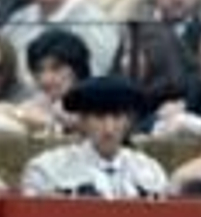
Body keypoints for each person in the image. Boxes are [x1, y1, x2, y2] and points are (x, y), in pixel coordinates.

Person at [20, 75, 169, 196]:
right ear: (82, 120)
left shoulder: (151, 171)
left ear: (129, 121)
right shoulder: (48, 169)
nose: (109, 129)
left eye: (117, 117)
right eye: (99, 117)